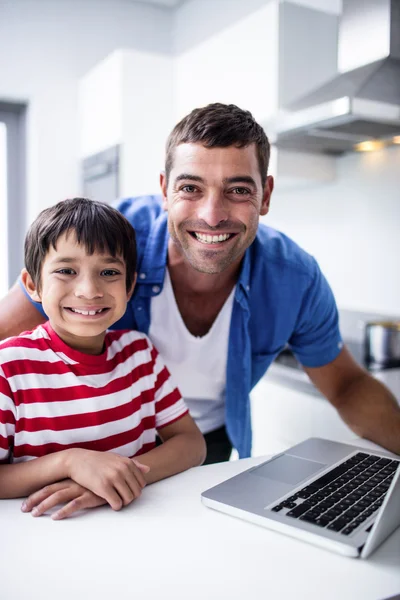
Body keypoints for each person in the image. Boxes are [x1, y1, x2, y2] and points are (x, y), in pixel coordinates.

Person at [0, 103, 399, 469]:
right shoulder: (107, 244)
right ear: (164, 190)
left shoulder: (294, 277)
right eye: (191, 188)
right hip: (88, 449)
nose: (212, 215)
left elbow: (347, 385)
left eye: (239, 190)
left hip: (199, 447)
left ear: (266, 195)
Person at [0, 197, 206, 520]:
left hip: (137, 531)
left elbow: (193, 444)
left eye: (109, 272)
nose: (89, 290)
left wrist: (121, 478)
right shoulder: (9, 368)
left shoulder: (140, 355)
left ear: (129, 286)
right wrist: (70, 463)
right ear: (32, 285)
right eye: (66, 270)